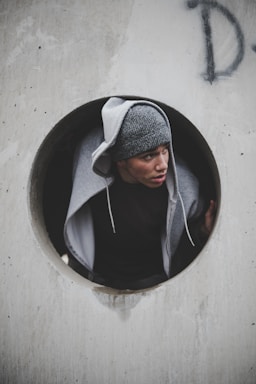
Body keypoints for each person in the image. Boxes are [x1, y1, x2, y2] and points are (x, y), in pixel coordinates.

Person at [63, 97, 216, 290]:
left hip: (156, 283)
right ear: (121, 161)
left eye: (165, 150)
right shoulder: (90, 185)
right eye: (149, 156)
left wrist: (202, 231)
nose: (163, 165)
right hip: (99, 282)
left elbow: (180, 241)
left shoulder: (181, 188)